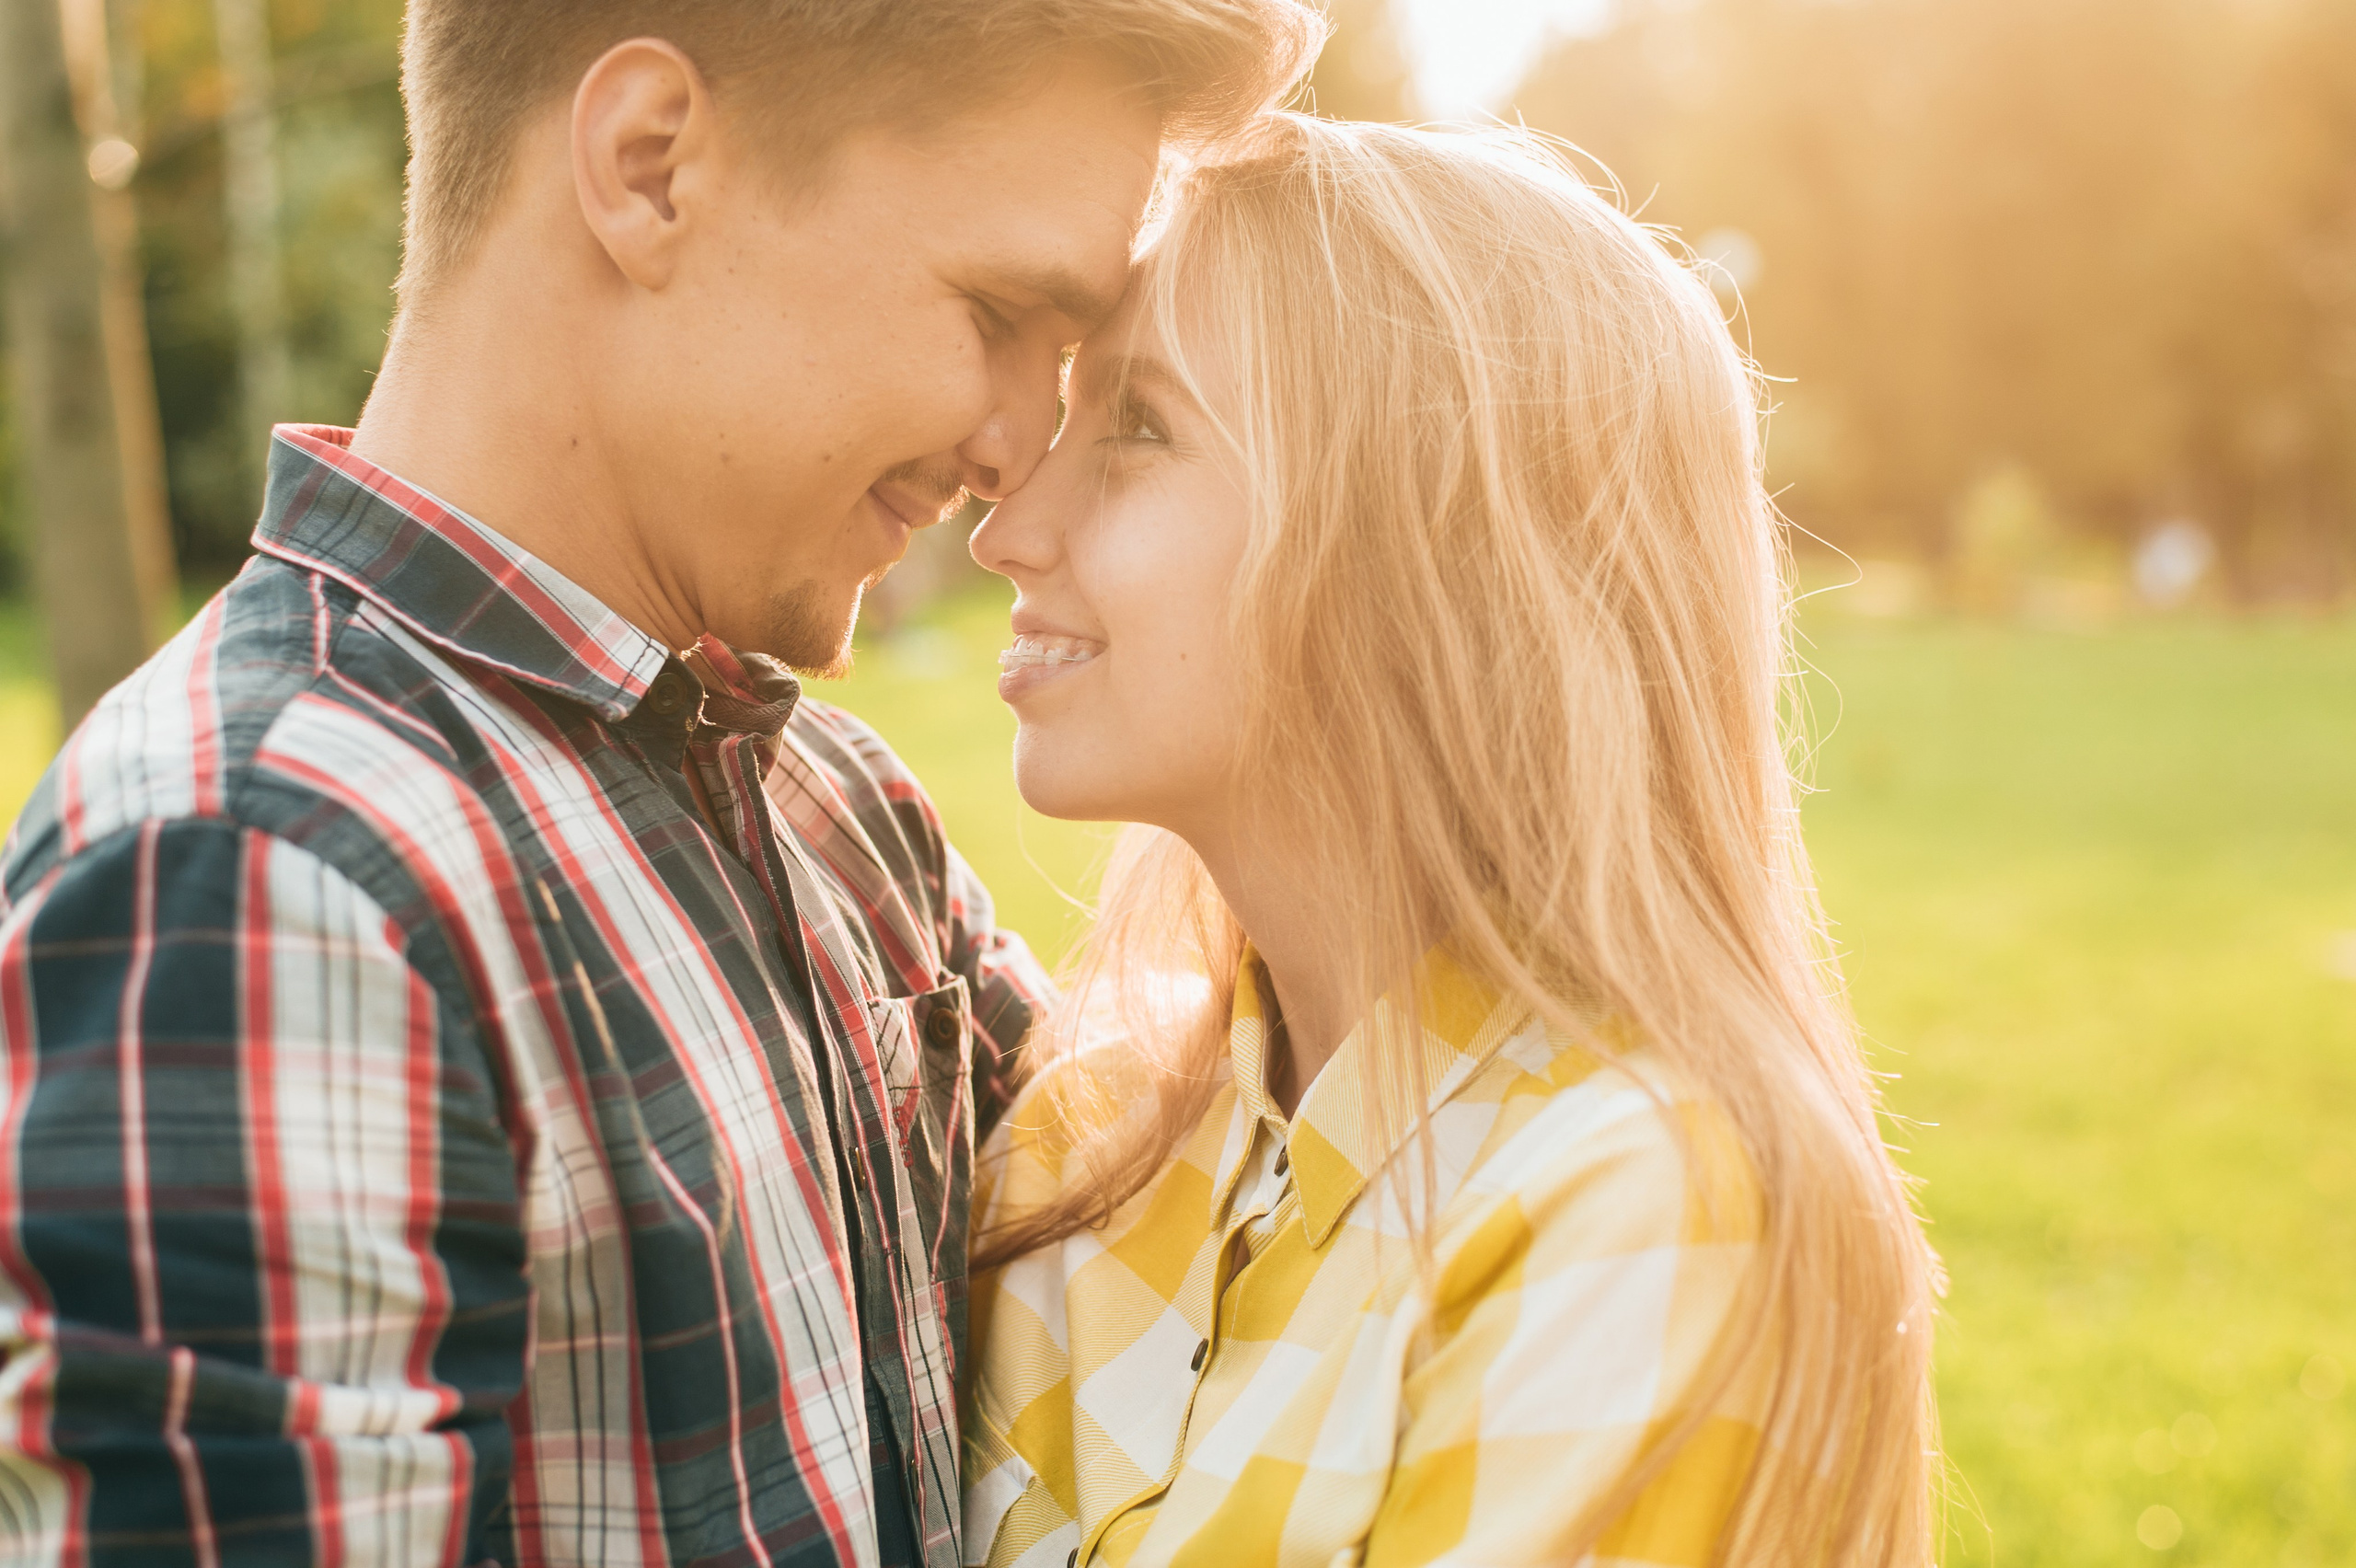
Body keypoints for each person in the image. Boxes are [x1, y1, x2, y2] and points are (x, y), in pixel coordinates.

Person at [0, 4, 1322, 1564]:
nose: (1018, 446)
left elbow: (1224, 1240)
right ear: (649, 167)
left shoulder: (838, 810)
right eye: (998, 312)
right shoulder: (262, 875)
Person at [962, 116, 1943, 1567]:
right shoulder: (1077, 1137)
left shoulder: (1643, 1206)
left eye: (1140, 426)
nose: (1008, 525)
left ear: (1419, 551)